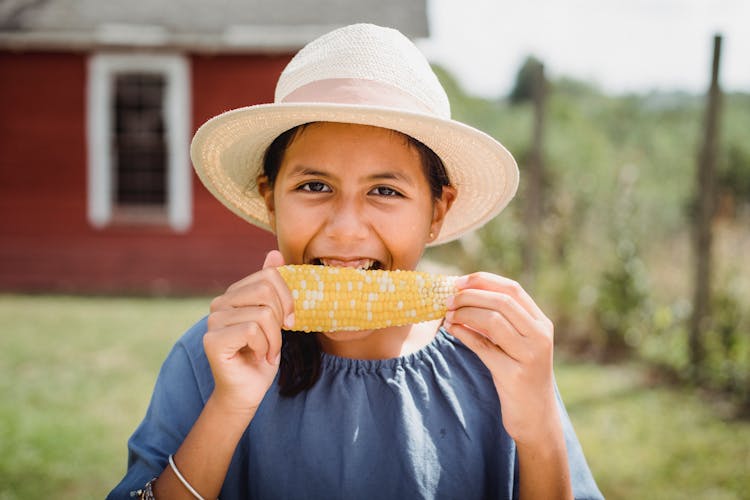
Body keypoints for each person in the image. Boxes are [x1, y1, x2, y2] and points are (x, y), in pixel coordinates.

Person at [108, 23, 602, 500]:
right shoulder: (213, 356)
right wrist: (228, 405)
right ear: (271, 199)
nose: (345, 228)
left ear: (438, 211)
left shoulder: (500, 363)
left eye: (384, 190)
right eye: (314, 186)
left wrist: (539, 430)